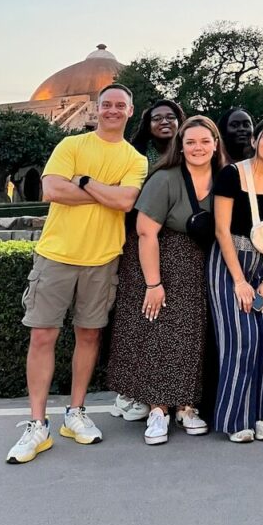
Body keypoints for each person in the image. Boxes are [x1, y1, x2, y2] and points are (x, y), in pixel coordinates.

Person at [7, 84, 147, 464]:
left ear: (131, 111)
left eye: (121, 105)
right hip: (57, 254)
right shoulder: (71, 146)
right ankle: (37, 424)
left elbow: (126, 201)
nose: (113, 110)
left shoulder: (135, 159)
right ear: (97, 109)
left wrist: (82, 182)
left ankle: (76, 413)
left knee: (88, 335)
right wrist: (104, 191)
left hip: (102, 258)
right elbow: (52, 189)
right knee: (42, 335)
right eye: (107, 105)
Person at [107, 116, 225, 445]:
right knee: (160, 327)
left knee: (194, 332)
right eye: (191, 142)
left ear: (215, 144)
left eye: (204, 141)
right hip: (163, 258)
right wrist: (153, 283)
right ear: (181, 146)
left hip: (202, 261)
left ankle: (186, 405)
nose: (198, 148)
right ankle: (158, 408)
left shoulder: (224, 179)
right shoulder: (166, 179)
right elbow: (146, 232)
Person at [208, 116, 263, 442]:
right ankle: (235, 418)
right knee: (240, 339)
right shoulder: (232, 174)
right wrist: (239, 281)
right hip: (230, 262)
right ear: (255, 139)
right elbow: (221, 229)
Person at [111, 97, 186, 423]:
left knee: (177, 323)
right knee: (141, 319)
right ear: (148, 124)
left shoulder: (190, 155)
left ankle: (177, 392)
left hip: (180, 248)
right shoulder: (138, 157)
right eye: (158, 118)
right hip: (141, 243)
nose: (165, 122)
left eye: (171, 117)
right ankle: (138, 391)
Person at [130, 99, 186, 166]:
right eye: (157, 119)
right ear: (149, 126)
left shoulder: (191, 151)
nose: (164, 122)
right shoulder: (134, 154)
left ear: (179, 123)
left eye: (170, 117)